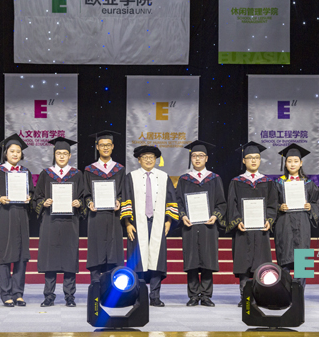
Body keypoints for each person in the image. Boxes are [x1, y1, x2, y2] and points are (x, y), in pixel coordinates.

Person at [121, 145, 178, 307]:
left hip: (158, 223)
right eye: (145, 157)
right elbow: (126, 200)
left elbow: (171, 200)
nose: (148, 160)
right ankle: (138, 296)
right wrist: (127, 223)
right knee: (138, 261)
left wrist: (168, 221)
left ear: (156, 159)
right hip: (137, 224)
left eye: (151, 157)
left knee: (156, 261)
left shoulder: (164, 177)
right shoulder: (131, 177)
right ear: (139, 160)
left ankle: (155, 296)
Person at [33, 137, 85, 307]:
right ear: (54, 155)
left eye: (65, 153)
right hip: (50, 221)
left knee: (69, 258)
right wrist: (44, 203)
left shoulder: (77, 174)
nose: (61, 156)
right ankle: (49, 296)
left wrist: (79, 203)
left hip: (70, 222)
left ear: (70, 155)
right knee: (51, 258)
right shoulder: (46, 174)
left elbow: (84, 197)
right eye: (58, 153)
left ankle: (70, 296)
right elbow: (36, 198)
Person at [0, 134, 33, 307]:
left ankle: (18, 293)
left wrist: (29, 197)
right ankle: (6, 294)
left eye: (18, 151)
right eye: (12, 151)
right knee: (4, 256)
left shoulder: (25, 172)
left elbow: (32, 193)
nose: (15, 154)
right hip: (3, 216)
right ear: (5, 153)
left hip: (21, 216)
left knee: (21, 257)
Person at [227, 141, 278, 307]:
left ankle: (260, 296)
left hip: (261, 230)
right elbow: (232, 204)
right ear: (244, 161)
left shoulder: (267, 182)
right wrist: (237, 221)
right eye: (250, 158)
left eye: (256, 157)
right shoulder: (236, 182)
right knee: (243, 264)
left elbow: (272, 205)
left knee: (261, 264)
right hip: (243, 229)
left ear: (260, 160)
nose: (253, 160)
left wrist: (269, 220)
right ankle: (245, 297)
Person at [176, 140, 226, 307]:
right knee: (191, 260)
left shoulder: (214, 179)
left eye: (201, 156)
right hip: (189, 226)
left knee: (207, 259)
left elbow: (221, 203)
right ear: (191, 158)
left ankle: (205, 295)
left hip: (208, 226)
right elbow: (178, 202)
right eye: (194, 156)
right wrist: (183, 216)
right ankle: (192, 295)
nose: (197, 159)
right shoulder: (184, 179)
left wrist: (215, 216)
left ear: (206, 158)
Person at [274, 143, 319, 290]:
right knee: (284, 256)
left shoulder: (308, 184)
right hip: (284, 224)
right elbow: (270, 204)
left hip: (302, 224)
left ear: (301, 163)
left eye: (296, 161)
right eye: (289, 161)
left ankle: (299, 292)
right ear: (285, 163)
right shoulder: (278, 183)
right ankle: (285, 292)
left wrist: (311, 207)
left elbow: (318, 203)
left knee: (302, 258)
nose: (292, 164)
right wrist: (279, 207)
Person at [83, 130, 125, 283]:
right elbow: (86, 192)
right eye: (102, 145)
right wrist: (90, 202)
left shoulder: (119, 169)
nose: (105, 148)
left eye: (108, 145)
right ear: (97, 147)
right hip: (96, 216)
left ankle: (114, 285)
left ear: (112, 146)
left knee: (114, 250)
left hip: (114, 216)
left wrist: (119, 200)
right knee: (96, 250)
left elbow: (123, 191)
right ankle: (95, 286)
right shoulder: (89, 170)